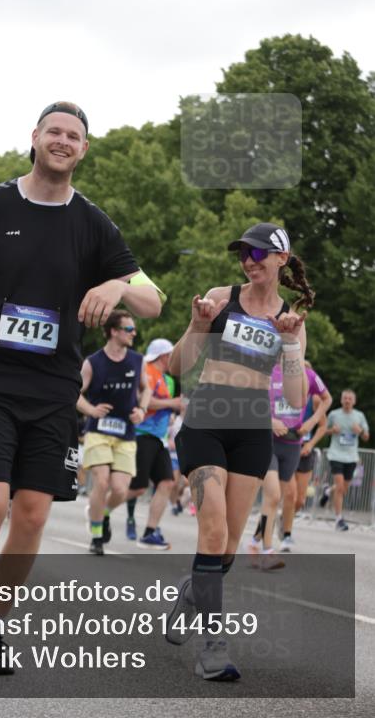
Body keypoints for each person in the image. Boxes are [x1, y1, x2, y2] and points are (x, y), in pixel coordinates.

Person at [0, 101, 163, 675]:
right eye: (55, 131)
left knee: (31, 515)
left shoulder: (95, 225)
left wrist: (119, 286)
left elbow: (154, 300)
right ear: (35, 138)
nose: (63, 140)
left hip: (52, 387)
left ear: (84, 149)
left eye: (74, 135)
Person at [165, 222, 312, 681]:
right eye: (243, 253)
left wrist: (289, 343)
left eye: (259, 253)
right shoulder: (221, 297)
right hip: (206, 418)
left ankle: (194, 592)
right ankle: (213, 645)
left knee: (227, 548)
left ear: (281, 260)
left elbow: (295, 396)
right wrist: (197, 325)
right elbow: (176, 368)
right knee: (211, 530)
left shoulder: (291, 317)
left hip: (251, 429)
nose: (249, 261)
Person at [76, 310, 150, 555]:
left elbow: (146, 388)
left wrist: (141, 410)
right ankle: (96, 537)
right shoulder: (93, 362)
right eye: (129, 329)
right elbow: (74, 392)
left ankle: (102, 514)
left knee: (120, 489)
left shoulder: (137, 360)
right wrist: (91, 409)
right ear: (114, 331)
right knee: (102, 480)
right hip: (98, 431)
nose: (134, 333)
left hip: (125, 432)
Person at [248, 358, 331, 560]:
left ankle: (255, 539)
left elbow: (327, 399)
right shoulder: (267, 371)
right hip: (268, 441)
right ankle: (267, 549)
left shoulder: (308, 375)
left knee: (281, 500)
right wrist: (270, 420)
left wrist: (311, 422)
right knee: (274, 496)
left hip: (293, 445)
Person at [125, 338, 181, 548]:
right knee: (138, 487)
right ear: (164, 355)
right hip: (142, 434)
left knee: (167, 483)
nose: (174, 358)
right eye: (171, 354)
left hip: (160, 438)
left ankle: (149, 532)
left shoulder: (170, 380)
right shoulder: (146, 370)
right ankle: (100, 508)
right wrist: (171, 403)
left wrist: (176, 410)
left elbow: (168, 406)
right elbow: (143, 399)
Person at [319, 389, 370, 531]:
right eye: (345, 398)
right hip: (335, 455)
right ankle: (339, 519)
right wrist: (331, 431)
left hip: (351, 457)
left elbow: (366, 437)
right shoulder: (334, 414)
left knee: (344, 489)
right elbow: (322, 430)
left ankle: (328, 491)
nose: (347, 401)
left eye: (350, 399)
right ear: (341, 400)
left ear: (354, 401)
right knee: (340, 487)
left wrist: (359, 431)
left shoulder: (359, 416)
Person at [293, 374, 330, 519]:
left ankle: (285, 519)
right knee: (282, 494)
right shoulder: (282, 392)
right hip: (285, 446)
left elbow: (323, 427)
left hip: (304, 449)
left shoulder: (314, 399)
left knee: (300, 500)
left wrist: (310, 444)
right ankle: (263, 530)